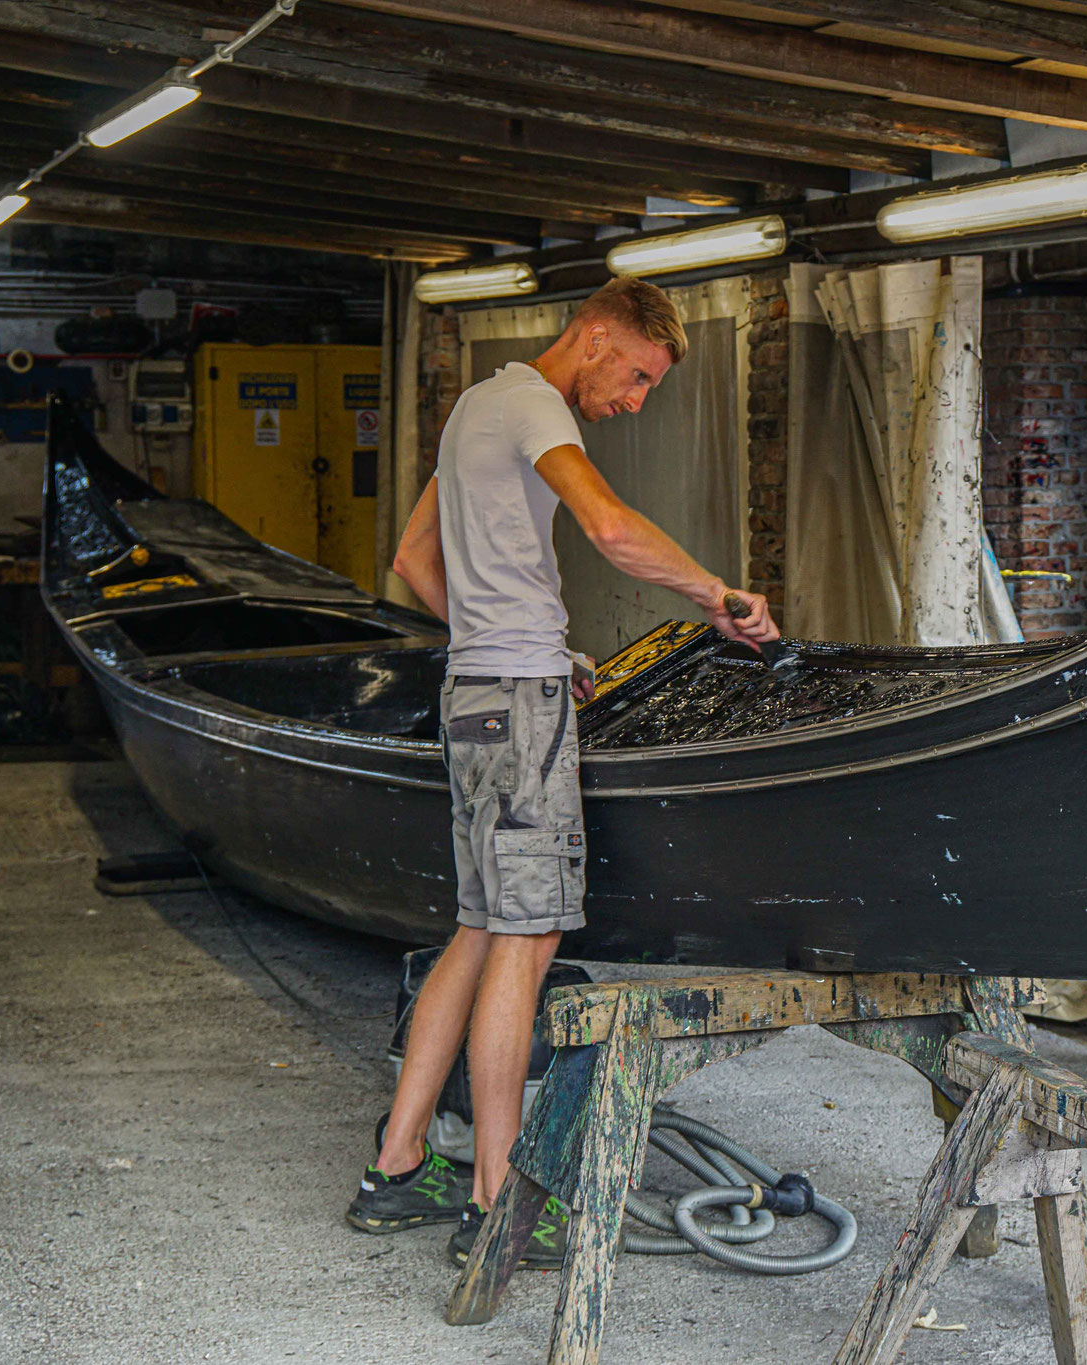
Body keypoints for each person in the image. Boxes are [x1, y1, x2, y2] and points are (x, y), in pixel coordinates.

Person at [345, 276, 779, 1266]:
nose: (635, 400)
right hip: (519, 705)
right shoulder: (539, 406)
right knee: (526, 938)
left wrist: (528, 639)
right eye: (637, 376)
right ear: (595, 337)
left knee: (479, 927)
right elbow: (611, 528)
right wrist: (717, 596)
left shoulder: (475, 405)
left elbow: (413, 559)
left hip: (474, 692)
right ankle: (498, 1199)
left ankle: (397, 1165)